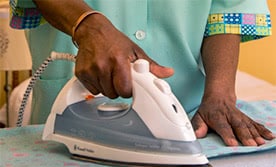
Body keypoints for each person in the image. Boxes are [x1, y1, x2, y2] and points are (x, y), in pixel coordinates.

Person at [10, 0, 275, 146]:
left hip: (193, 117)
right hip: (71, 117)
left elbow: (228, 7)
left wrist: (220, 95)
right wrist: (89, 26)